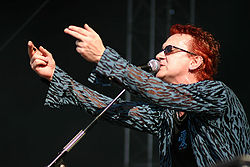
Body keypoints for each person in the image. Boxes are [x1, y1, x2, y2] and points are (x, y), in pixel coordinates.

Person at [28, 23, 250, 167]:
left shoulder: (217, 94)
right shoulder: (167, 116)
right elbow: (114, 110)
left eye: (169, 50)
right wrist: (55, 76)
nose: (159, 55)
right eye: (162, 49)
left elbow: (160, 92)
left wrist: (104, 57)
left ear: (195, 61)